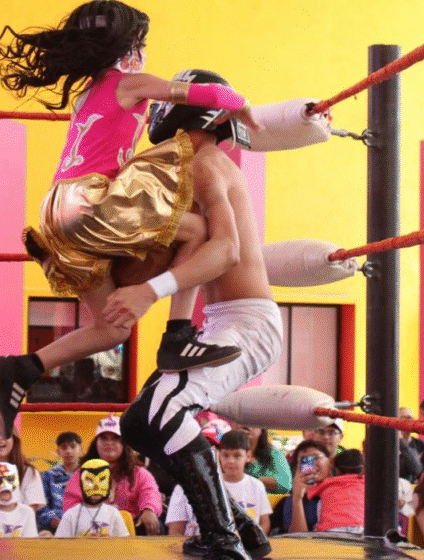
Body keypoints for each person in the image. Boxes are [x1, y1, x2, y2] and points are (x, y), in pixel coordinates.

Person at [0, 0, 261, 439]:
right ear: (129, 45)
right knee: (199, 230)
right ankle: (177, 334)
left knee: (112, 329)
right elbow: (204, 95)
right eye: (142, 43)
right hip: (92, 201)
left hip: (57, 210)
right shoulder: (128, 83)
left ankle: (22, 368)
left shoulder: (86, 93)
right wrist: (242, 104)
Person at [109, 68, 286, 560]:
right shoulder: (199, 164)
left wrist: (149, 290)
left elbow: (225, 252)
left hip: (246, 322)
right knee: (138, 423)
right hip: (226, 320)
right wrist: (178, 330)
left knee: (166, 409)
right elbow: (195, 251)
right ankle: (241, 528)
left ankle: (222, 540)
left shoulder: (206, 163)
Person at [62, 414, 162, 535]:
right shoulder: (82, 473)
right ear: (96, 443)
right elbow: (71, 504)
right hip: (91, 529)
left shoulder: (139, 473)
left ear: (124, 444)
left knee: (155, 524)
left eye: (115, 438)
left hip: (133, 528)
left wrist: (149, 510)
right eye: (104, 438)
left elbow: (150, 492)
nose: (109, 443)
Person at [167, 430, 271, 538]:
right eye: (225, 455)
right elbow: (175, 531)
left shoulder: (257, 486)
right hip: (199, 545)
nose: (231, 461)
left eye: (237, 456)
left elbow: (265, 523)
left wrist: (252, 541)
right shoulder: (183, 488)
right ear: (218, 455)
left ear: (248, 456)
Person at [56, 458, 129, 538]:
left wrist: (109, 541)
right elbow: (59, 543)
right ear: (81, 484)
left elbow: (125, 542)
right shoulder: (71, 515)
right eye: (89, 481)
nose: (96, 487)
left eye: (102, 480)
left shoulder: (113, 513)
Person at [38, 430, 83, 534]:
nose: (69, 451)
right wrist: (51, 519)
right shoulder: (48, 475)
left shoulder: (87, 474)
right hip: (54, 528)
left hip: (81, 526)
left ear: (81, 449)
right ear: (58, 452)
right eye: (64, 448)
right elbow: (41, 505)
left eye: (73, 446)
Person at [286, 440, 333, 533]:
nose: (311, 464)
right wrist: (297, 499)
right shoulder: (292, 501)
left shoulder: (343, 491)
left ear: (330, 461)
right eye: (304, 461)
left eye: (316, 457)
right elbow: (297, 538)